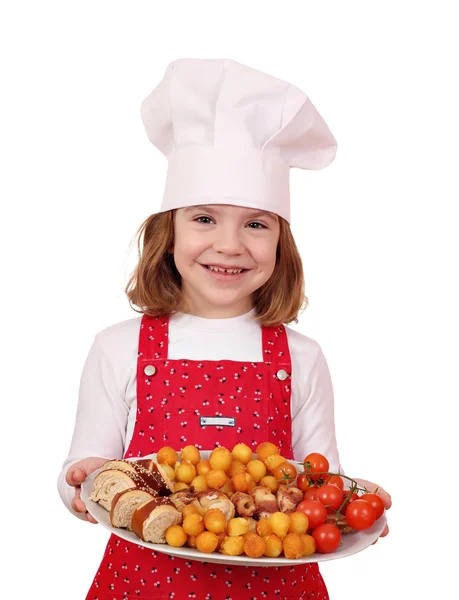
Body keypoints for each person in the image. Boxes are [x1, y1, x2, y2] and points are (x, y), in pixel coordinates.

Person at [58, 58, 391, 600]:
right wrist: (79, 481)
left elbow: (317, 476)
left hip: (278, 584)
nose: (230, 245)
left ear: (280, 244)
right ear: (168, 233)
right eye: (204, 218)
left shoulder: (302, 356)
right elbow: (84, 469)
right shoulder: (118, 347)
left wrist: (350, 505)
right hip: (141, 585)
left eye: (256, 224)